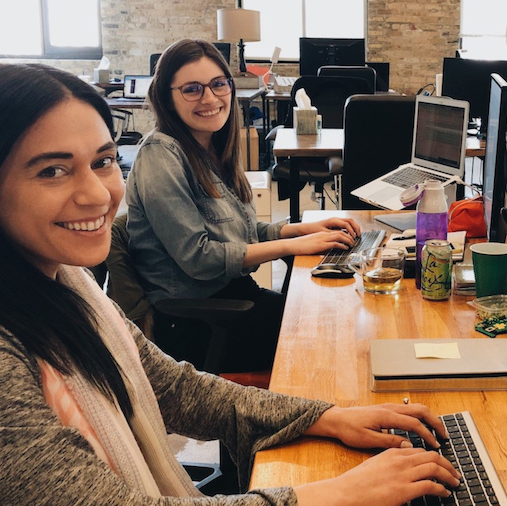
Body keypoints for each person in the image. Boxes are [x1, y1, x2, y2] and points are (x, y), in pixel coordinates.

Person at [0, 63, 459, 504]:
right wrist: (331, 494)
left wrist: (324, 417)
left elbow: (173, 388)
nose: (96, 195)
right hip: (193, 306)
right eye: (52, 171)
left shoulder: (64, 286)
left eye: (104, 161)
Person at [125, 39, 359, 372]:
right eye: (192, 89)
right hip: (198, 322)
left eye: (218, 84)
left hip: (232, 301)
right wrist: (292, 246)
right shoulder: (160, 155)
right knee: (330, 331)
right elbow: (200, 258)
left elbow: (248, 232)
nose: (210, 98)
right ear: (167, 97)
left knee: (336, 308)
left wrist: (306, 228)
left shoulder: (209, 150)